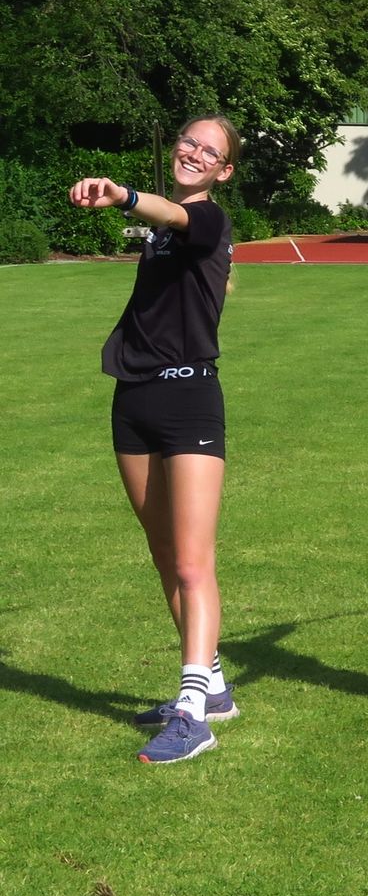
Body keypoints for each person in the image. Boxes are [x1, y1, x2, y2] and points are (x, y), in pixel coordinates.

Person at [69, 117, 241, 764]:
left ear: (224, 170)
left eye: (209, 151)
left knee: (193, 562)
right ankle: (214, 688)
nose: (194, 152)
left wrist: (123, 195)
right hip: (134, 398)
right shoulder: (165, 231)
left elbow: (175, 213)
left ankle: (193, 713)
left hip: (189, 400)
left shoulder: (209, 218)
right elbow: (167, 225)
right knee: (164, 550)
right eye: (189, 141)